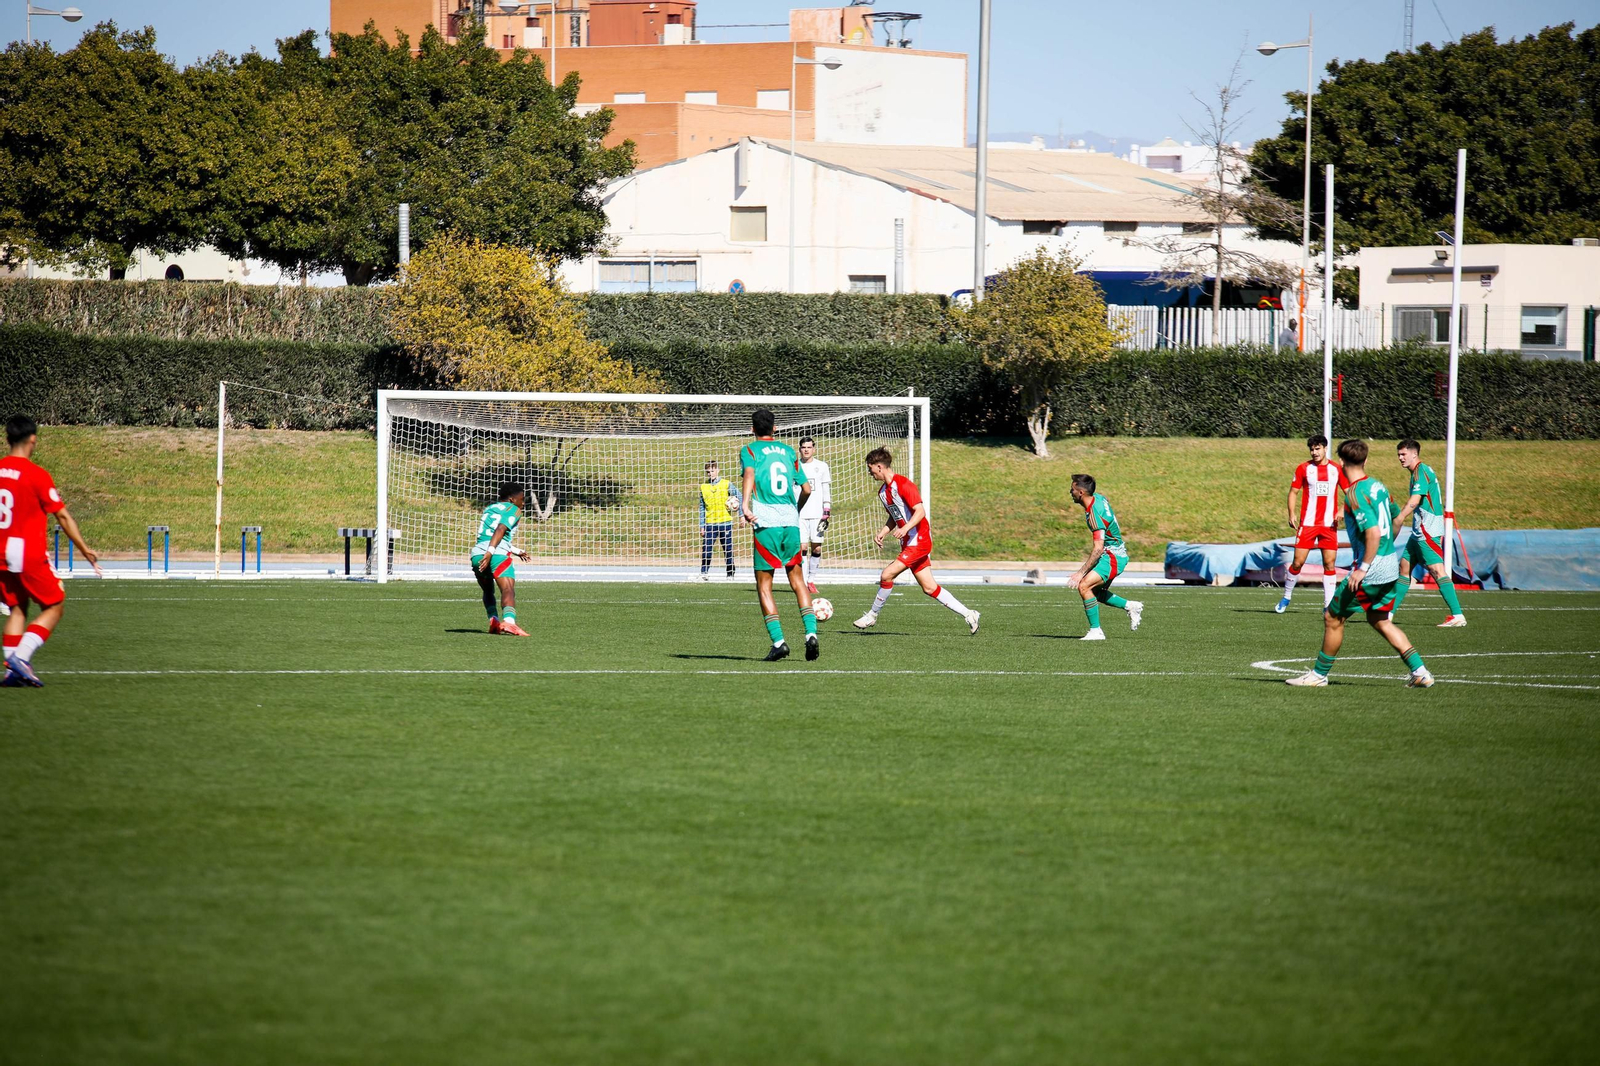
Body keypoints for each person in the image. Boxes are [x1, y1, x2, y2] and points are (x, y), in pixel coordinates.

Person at [1286, 438, 1435, 688]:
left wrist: (1363, 568)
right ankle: (1420, 671)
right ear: (1365, 460)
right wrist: (1386, 551)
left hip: (1371, 570)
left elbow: (1373, 533)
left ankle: (1319, 675)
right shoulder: (1379, 486)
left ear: (1341, 462)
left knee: (1333, 617)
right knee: (1380, 619)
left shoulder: (1355, 494)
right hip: (1389, 566)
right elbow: (1397, 518)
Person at [2, 415, 102, 687]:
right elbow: (63, 517)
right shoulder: (36, 475)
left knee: (16, 608)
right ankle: (20, 658)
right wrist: (83, 549)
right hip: (26, 552)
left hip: (1, 553)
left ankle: (12, 673)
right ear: (32, 439)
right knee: (54, 606)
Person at [853, 447, 979, 635]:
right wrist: (883, 532)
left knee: (887, 575)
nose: (869, 472)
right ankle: (970, 614)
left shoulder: (904, 484)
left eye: (870, 468)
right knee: (929, 587)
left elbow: (920, 511)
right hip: (909, 542)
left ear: (879, 467)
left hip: (919, 539)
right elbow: (894, 517)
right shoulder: (883, 492)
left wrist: (905, 528)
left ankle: (872, 615)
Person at [740, 409, 818, 662]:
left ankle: (779, 642)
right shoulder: (788, 451)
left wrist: (745, 505)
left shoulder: (750, 450)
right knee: (798, 581)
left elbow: (750, 475)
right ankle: (810, 635)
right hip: (790, 523)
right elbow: (806, 489)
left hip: (766, 523)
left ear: (753, 429)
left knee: (764, 585)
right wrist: (795, 510)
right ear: (775, 428)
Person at [1391, 439, 1467, 627]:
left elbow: (1416, 499)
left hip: (1428, 530)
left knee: (1437, 570)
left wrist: (1400, 517)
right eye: (1399, 454)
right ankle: (1389, 614)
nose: (1400, 458)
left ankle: (1458, 615)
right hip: (1419, 530)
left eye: (1403, 454)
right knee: (1404, 568)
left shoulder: (1421, 471)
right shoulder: (1418, 472)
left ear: (1414, 454)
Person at [1275, 434, 1350, 614]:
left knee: (1329, 564)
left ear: (1325, 449)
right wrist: (1291, 513)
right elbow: (1293, 492)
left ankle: (1328, 605)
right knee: (1298, 562)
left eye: (1318, 449)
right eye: (1312, 449)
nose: (1314, 452)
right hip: (1307, 524)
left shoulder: (1336, 470)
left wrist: (1341, 510)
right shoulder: (1303, 468)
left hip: (1328, 525)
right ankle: (1286, 596)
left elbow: (1350, 492)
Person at [1067, 473, 1142, 640]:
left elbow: (1098, 548)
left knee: (1084, 586)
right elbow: (1105, 500)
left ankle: (1096, 631)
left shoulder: (1094, 515)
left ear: (1081, 493)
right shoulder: (1098, 498)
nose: (1070, 492)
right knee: (1094, 592)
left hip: (1113, 556)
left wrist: (1080, 573)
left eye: (1072, 489)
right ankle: (1131, 606)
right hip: (1114, 552)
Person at [471, 482, 530, 637]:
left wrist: (516, 551)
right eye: (522, 499)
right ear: (512, 499)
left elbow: (489, 534)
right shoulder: (514, 509)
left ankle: (494, 621)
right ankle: (510, 623)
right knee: (508, 588)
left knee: (488, 590)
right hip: (495, 554)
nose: (523, 503)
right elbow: (500, 529)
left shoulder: (490, 509)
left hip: (477, 555)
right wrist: (491, 552)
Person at [796, 436, 831, 594]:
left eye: (809, 447)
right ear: (800, 449)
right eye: (803, 447)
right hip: (799, 513)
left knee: (816, 548)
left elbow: (825, 489)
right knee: (802, 547)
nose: (806, 450)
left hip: (817, 513)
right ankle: (803, 582)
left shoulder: (822, 466)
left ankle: (811, 579)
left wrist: (826, 510)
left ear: (814, 449)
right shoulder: (794, 467)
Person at [697, 459, 739, 580]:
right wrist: (702, 525)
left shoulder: (726, 484)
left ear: (718, 470)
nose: (710, 473)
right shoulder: (704, 487)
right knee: (706, 549)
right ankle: (704, 572)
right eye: (708, 472)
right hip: (710, 523)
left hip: (725, 522)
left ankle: (730, 573)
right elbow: (702, 507)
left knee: (728, 549)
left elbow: (739, 496)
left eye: (712, 471)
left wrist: (739, 512)